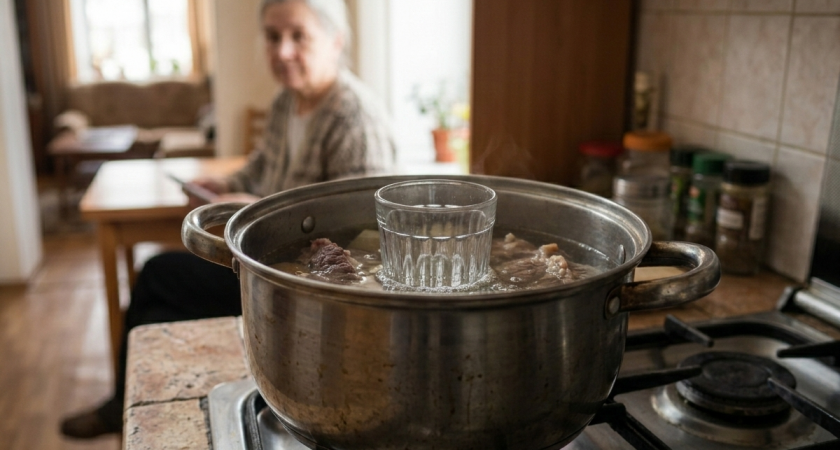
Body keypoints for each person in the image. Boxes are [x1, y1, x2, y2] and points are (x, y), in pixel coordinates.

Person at [60, 0, 395, 438]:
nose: (283, 51)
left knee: (156, 275)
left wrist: (251, 205)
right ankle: (137, 408)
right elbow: (257, 169)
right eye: (273, 37)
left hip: (301, 289)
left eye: (298, 36)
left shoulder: (353, 119)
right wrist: (224, 186)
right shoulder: (286, 102)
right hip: (266, 267)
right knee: (155, 305)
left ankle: (124, 409)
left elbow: (363, 240)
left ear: (336, 41)